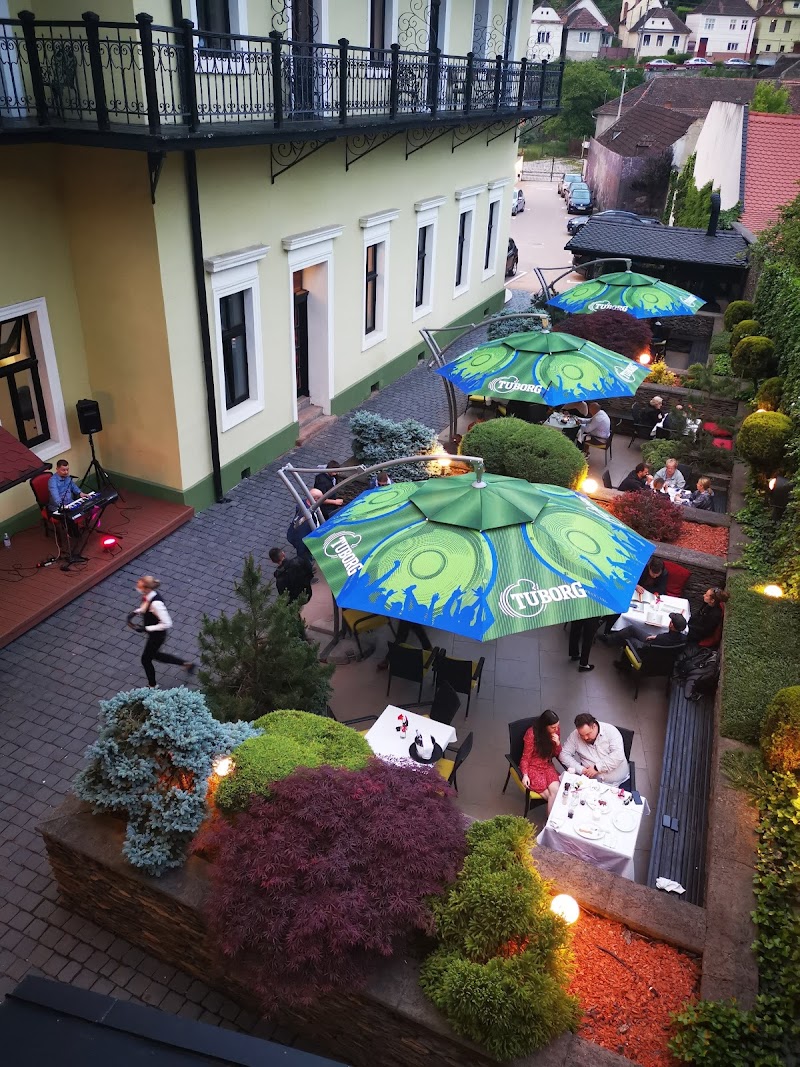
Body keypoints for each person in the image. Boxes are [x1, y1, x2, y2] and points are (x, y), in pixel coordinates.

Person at [130, 576, 194, 688]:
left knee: (145, 659)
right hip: (154, 634)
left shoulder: (156, 604)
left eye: (139, 586)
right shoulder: (149, 596)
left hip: (157, 636)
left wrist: (146, 628)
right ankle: (187, 664)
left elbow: (167, 623)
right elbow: (146, 607)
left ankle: (152, 685)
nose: (137, 588)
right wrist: (136, 612)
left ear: (146, 588)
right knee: (156, 655)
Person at [600, 557, 667, 638]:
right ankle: (609, 631)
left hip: (650, 598)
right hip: (634, 594)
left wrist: (646, 589)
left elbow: (661, 589)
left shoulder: (664, 574)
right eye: (653, 574)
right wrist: (636, 585)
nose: (655, 576)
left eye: (657, 575)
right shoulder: (642, 568)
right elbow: (629, 579)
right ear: (649, 568)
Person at [560, 713, 629, 787]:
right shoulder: (575, 735)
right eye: (582, 735)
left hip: (618, 782)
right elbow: (563, 755)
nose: (585, 738)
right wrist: (581, 769)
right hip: (593, 783)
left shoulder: (611, 731)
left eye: (588, 734)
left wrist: (597, 768)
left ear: (594, 726)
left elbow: (618, 755)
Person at [519, 710, 562, 813]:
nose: (556, 729)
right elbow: (525, 757)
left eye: (557, 726)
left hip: (547, 764)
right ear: (544, 726)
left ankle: (550, 824)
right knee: (552, 796)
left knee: (556, 791)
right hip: (533, 766)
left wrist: (557, 744)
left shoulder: (556, 731)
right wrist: (525, 774)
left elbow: (557, 754)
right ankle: (551, 823)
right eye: (553, 727)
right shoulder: (532, 734)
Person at [611, 612, 688, 668]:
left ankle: (624, 666)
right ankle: (611, 638)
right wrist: (656, 637)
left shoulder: (661, 638)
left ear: (671, 625)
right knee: (632, 629)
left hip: (645, 653)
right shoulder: (683, 639)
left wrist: (657, 638)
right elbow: (664, 640)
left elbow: (647, 647)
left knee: (629, 639)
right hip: (662, 659)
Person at [287, 487, 323, 562]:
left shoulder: (305, 504)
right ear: (315, 499)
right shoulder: (306, 521)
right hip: (303, 544)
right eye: (321, 499)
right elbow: (301, 539)